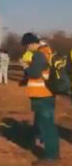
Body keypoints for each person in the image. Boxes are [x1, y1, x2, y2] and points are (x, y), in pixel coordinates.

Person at [21, 33, 59, 162]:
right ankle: (53, 153)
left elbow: (34, 73)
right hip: (48, 93)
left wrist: (26, 66)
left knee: (46, 127)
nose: (27, 49)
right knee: (49, 125)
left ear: (32, 43)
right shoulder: (48, 51)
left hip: (41, 94)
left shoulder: (39, 54)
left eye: (27, 46)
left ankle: (50, 156)